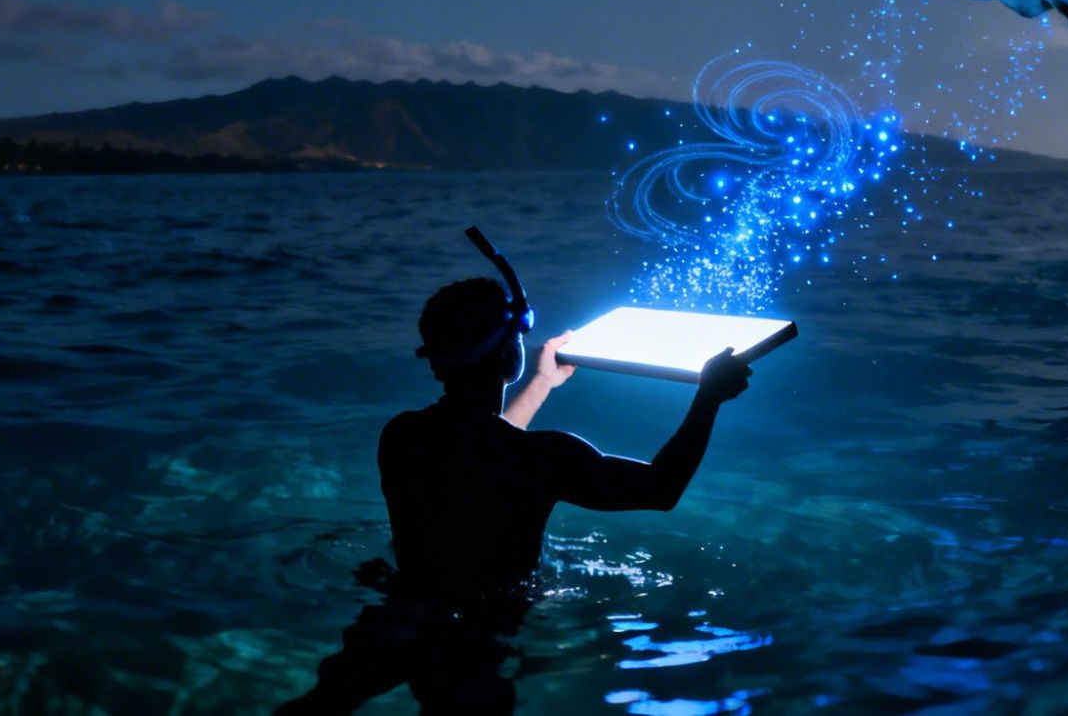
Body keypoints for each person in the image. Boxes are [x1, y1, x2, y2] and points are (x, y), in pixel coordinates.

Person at [276, 274, 753, 715]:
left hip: (398, 612)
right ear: (509, 357)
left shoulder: (402, 436)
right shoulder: (542, 458)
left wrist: (542, 383)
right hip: (475, 634)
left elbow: (482, 448)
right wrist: (708, 397)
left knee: (321, 706)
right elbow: (660, 488)